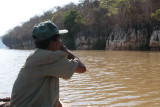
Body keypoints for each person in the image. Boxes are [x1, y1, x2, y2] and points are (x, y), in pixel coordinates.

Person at [10, 20, 86, 107]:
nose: (61, 41)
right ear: (52, 43)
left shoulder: (37, 56)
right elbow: (82, 68)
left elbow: (46, 90)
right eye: (59, 39)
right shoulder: (49, 58)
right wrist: (65, 50)